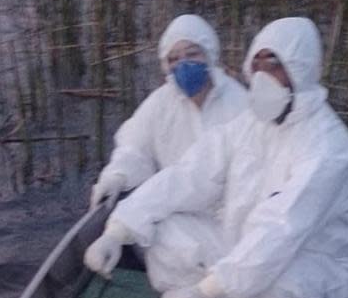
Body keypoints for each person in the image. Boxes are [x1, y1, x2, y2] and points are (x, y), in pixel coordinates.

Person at [84, 16, 348, 298]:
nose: (263, 75)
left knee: (275, 292)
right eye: (257, 64)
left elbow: (280, 229)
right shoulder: (252, 124)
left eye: (275, 64)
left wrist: (204, 290)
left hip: (315, 268)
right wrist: (118, 230)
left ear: (301, 68)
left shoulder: (327, 148)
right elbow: (189, 175)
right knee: (167, 231)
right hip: (245, 249)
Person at [88, 14, 247, 210]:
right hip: (179, 213)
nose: (184, 64)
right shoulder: (160, 103)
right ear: (166, 65)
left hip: (231, 215)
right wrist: (118, 175)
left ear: (209, 54)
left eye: (192, 54)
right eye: (174, 59)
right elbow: (135, 147)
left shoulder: (240, 103)